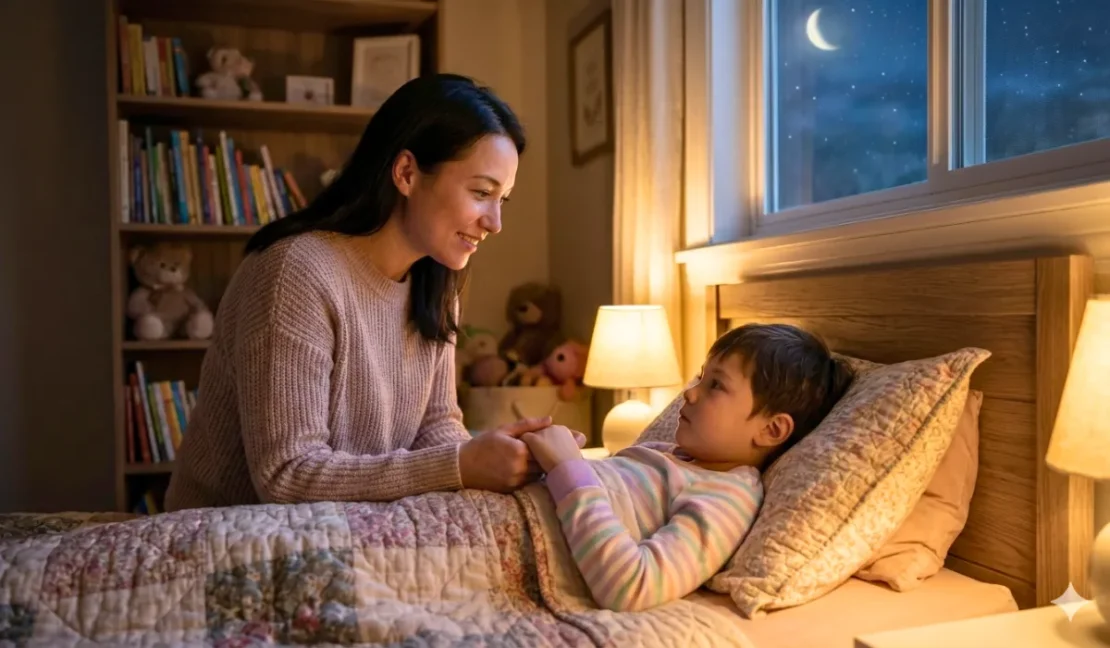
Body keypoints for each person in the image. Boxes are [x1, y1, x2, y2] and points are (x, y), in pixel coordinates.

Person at [165, 74, 578, 512]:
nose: (494, 222)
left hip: (348, 535)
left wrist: (502, 462)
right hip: (225, 538)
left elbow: (436, 427)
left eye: (503, 200)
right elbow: (286, 474)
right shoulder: (295, 271)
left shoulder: (435, 282)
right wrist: (459, 465)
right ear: (406, 173)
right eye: (481, 193)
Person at [520, 323, 854, 612]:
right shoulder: (669, 454)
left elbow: (632, 587)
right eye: (700, 378)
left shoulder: (726, 497)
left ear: (771, 430)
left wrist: (568, 469)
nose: (690, 394)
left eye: (716, 385)